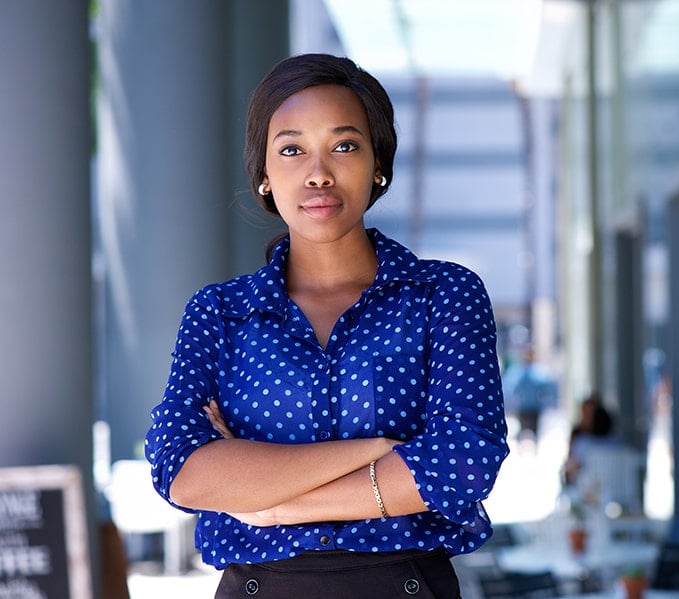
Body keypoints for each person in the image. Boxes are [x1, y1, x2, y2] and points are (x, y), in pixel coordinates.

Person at [144, 53, 509, 598]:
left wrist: (271, 502)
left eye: (344, 146)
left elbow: (466, 461)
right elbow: (179, 468)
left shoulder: (444, 295)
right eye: (291, 150)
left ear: (378, 163)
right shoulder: (220, 313)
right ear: (265, 175)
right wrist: (379, 449)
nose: (318, 172)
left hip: (405, 585)